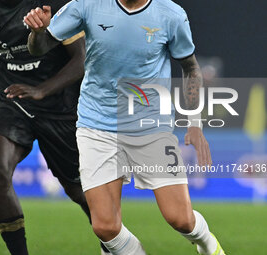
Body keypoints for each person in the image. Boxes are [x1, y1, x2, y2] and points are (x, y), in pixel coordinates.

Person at [22, 0, 227, 254]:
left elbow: (191, 68)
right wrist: (37, 32)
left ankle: (208, 245)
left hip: (151, 126)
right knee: (105, 227)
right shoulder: (86, 5)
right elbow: (38, 49)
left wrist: (194, 123)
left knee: (180, 219)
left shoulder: (171, 14)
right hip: (96, 125)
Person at [0, 0, 110, 254]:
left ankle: (113, 243)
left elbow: (82, 59)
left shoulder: (55, 5)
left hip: (60, 104)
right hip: (12, 100)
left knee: (80, 191)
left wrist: (42, 90)